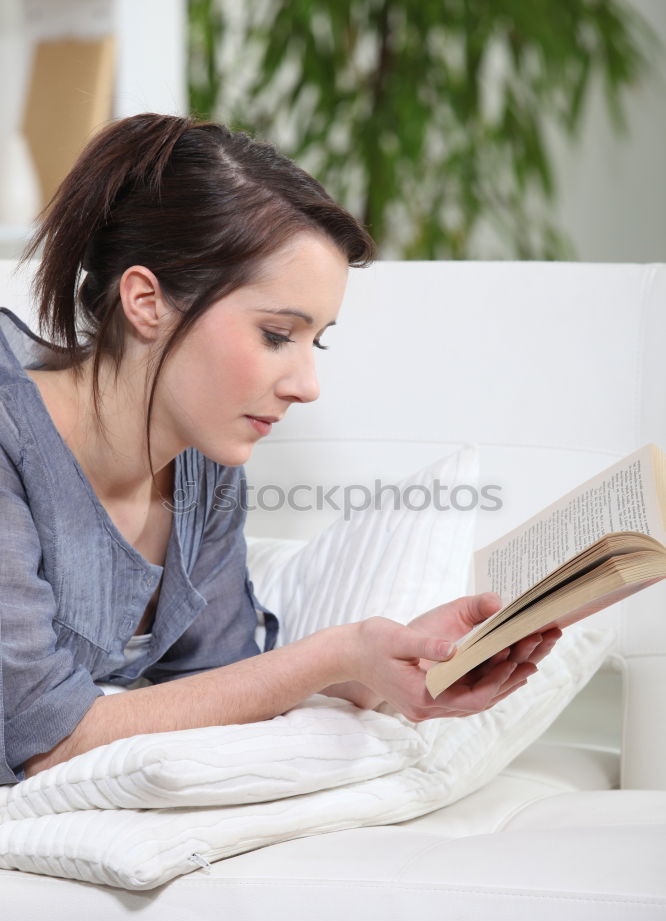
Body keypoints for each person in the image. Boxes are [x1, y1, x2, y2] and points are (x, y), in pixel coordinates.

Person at [0, 114, 560, 786]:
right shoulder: (13, 439)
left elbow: (220, 689)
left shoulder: (202, 464)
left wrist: (387, 668)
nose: (306, 386)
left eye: (315, 341)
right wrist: (339, 652)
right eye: (275, 335)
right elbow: (45, 737)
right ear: (146, 301)